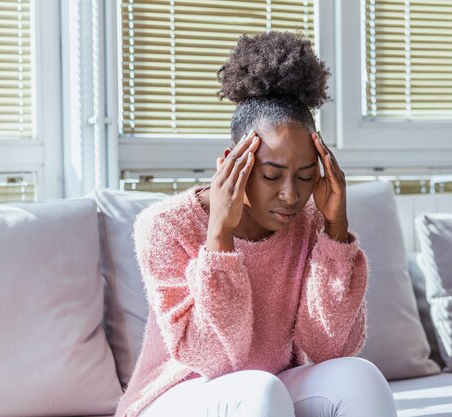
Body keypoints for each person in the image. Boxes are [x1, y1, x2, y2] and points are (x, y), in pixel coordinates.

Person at [114, 31, 397, 417]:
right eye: (271, 175)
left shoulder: (309, 223)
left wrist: (335, 231)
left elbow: (332, 349)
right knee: (259, 391)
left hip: (270, 390)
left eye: (304, 176)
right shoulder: (166, 226)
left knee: (359, 377)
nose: (290, 195)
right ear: (233, 163)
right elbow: (211, 358)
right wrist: (219, 238)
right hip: (178, 394)